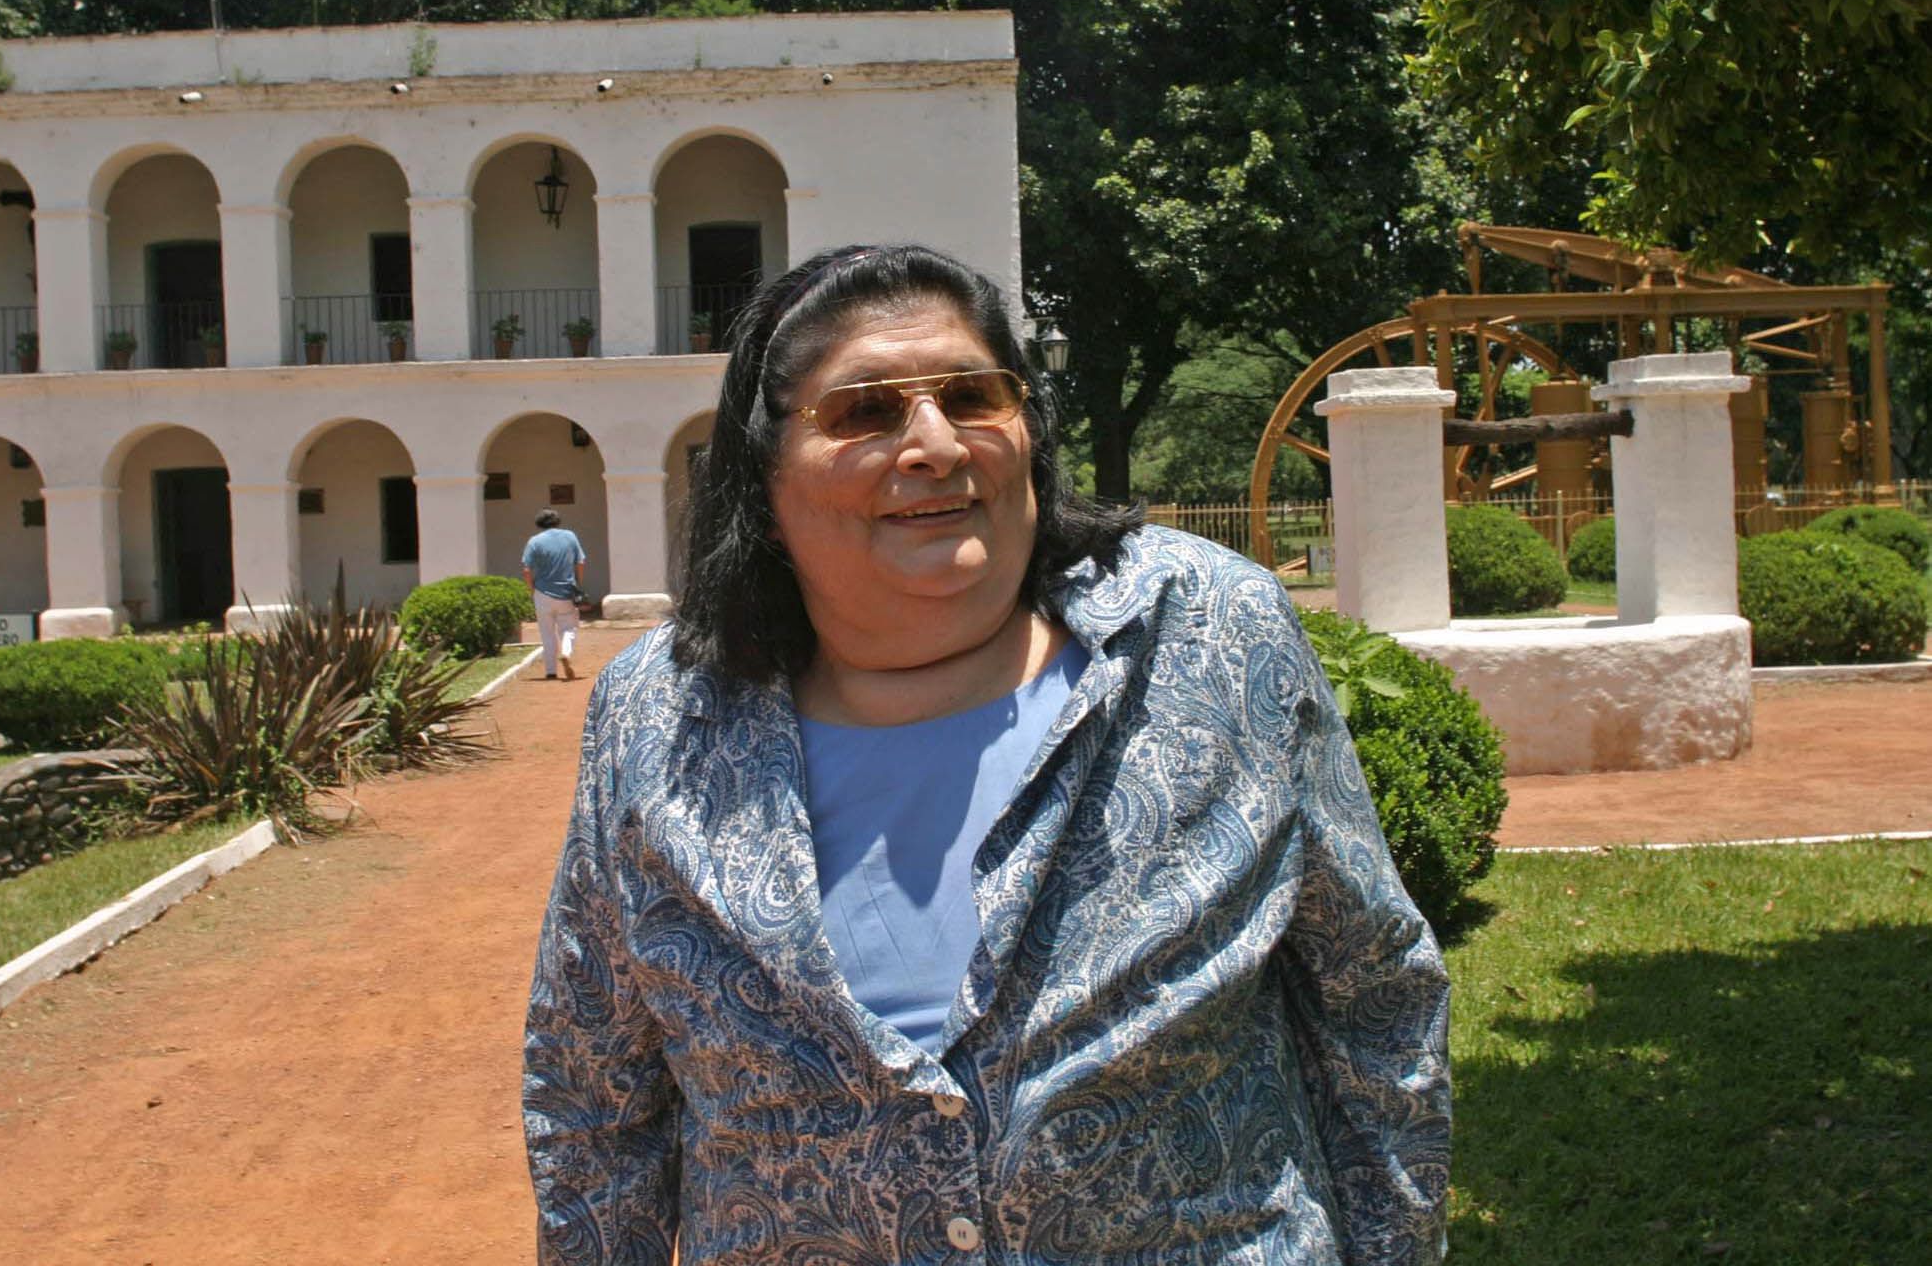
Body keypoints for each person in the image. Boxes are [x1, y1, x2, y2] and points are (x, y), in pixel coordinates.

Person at [524, 244, 1451, 1264]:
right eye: (866, 412)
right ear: (764, 477)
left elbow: (1376, 996)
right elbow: (594, 1102)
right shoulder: (660, 722)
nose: (933, 444)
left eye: (972, 397)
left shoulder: (1209, 635)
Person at [521, 508, 586, 681]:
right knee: (569, 627)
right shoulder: (570, 536)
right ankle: (566, 652)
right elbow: (580, 562)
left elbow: (526, 569)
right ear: (558, 521)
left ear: (539, 523)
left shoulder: (534, 541)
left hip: (542, 592)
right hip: (566, 591)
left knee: (546, 632)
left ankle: (550, 671)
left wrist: (532, 589)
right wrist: (579, 584)